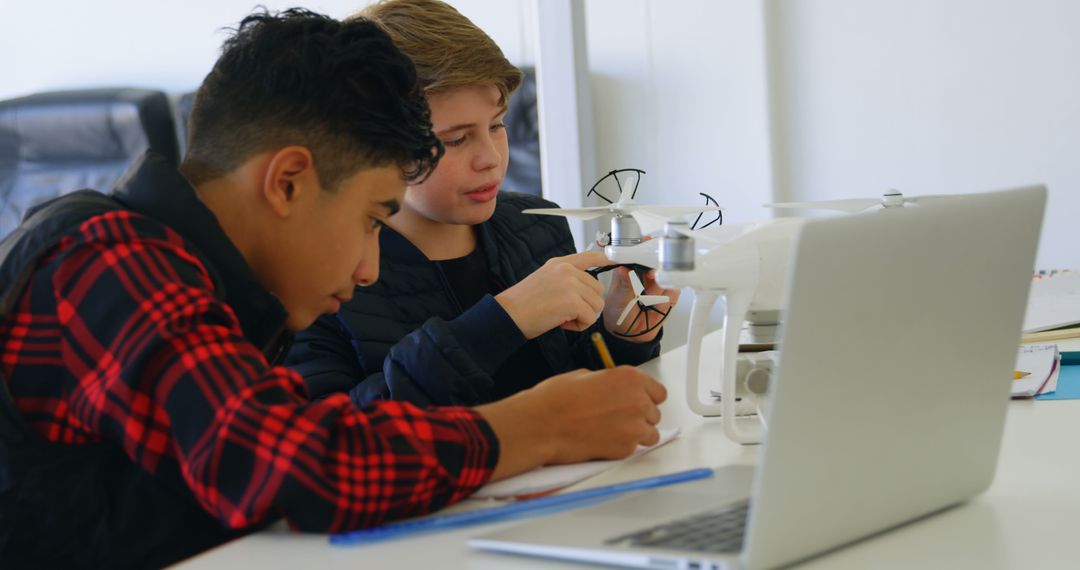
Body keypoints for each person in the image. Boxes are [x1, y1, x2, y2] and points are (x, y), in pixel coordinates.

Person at [0, 9, 666, 569]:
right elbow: (297, 464)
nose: (372, 267)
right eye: (374, 219)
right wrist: (536, 427)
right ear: (288, 181)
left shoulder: (216, 286)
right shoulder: (107, 259)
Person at [287, 0, 681, 407]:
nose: (490, 157)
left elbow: (583, 387)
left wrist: (623, 336)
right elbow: (334, 437)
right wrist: (503, 321)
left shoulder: (537, 226)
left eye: (497, 125)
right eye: (456, 139)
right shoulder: (318, 279)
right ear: (371, 145)